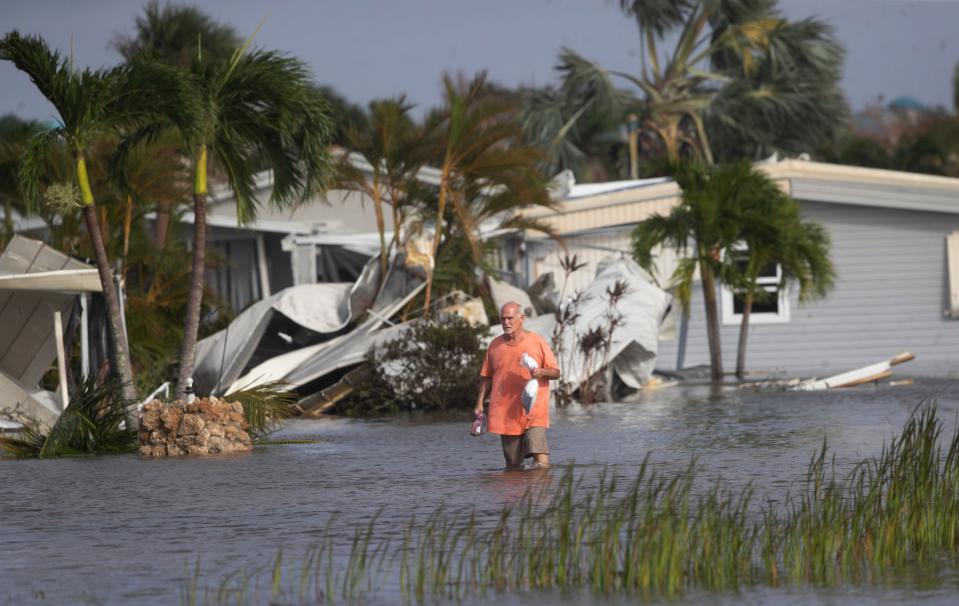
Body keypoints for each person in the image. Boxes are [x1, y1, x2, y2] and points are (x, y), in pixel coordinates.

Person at [475, 301, 561, 470]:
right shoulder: (494, 346)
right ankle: (519, 495)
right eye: (503, 319)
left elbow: (556, 373)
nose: (505, 322)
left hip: (534, 410)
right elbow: (486, 377)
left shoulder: (537, 341)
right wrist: (479, 403)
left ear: (521, 318)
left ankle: (540, 493)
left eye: (510, 318)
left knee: (541, 464)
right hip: (505, 413)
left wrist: (541, 372)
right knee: (513, 467)